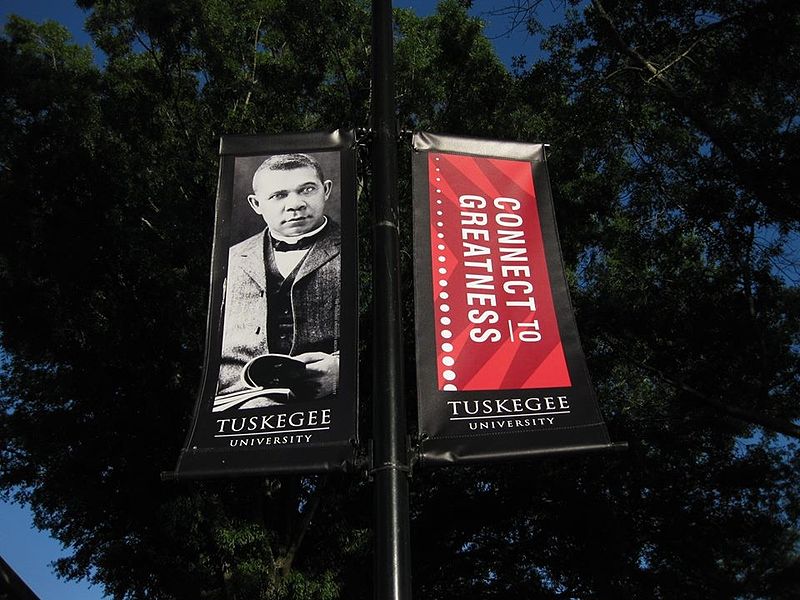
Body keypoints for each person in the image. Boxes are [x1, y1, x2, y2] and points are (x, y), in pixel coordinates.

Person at [216, 153, 340, 406]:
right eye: (279, 195)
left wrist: (343, 368)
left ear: (325, 190)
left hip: (333, 404)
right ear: (256, 204)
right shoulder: (230, 260)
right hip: (235, 401)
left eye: (307, 189)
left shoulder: (361, 250)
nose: (295, 204)